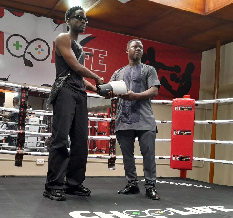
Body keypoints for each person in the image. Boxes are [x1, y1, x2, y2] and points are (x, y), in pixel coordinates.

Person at [44, 6, 104, 201]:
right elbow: (74, 66)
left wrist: (95, 88)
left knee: (80, 141)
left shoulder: (80, 48)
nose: (83, 21)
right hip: (65, 92)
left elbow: (77, 74)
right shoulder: (63, 38)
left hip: (79, 93)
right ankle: (53, 186)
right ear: (68, 20)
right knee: (60, 139)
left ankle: (73, 183)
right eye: (79, 18)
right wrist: (97, 77)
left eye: (85, 19)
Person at [108, 39, 161, 200]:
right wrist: (105, 90)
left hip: (145, 120)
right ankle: (132, 184)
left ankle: (150, 186)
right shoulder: (118, 72)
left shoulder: (149, 69)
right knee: (127, 156)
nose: (138, 49)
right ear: (127, 50)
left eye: (141, 47)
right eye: (134, 46)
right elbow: (110, 89)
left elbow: (154, 90)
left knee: (149, 154)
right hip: (123, 119)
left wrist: (135, 96)